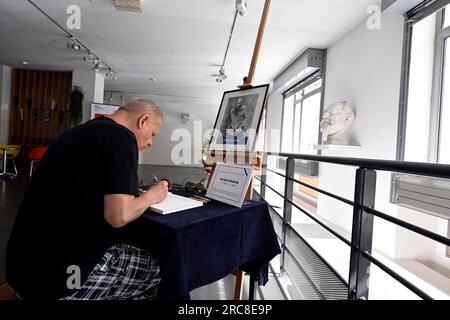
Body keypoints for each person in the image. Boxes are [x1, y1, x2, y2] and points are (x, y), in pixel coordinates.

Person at [6, 98, 168, 300]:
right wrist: (152, 196)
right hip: (59, 280)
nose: (151, 142)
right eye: (153, 134)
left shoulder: (73, 133)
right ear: (143, 120)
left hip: (20, 270)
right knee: (161, 269)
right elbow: (118, 216)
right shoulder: (122, 137)